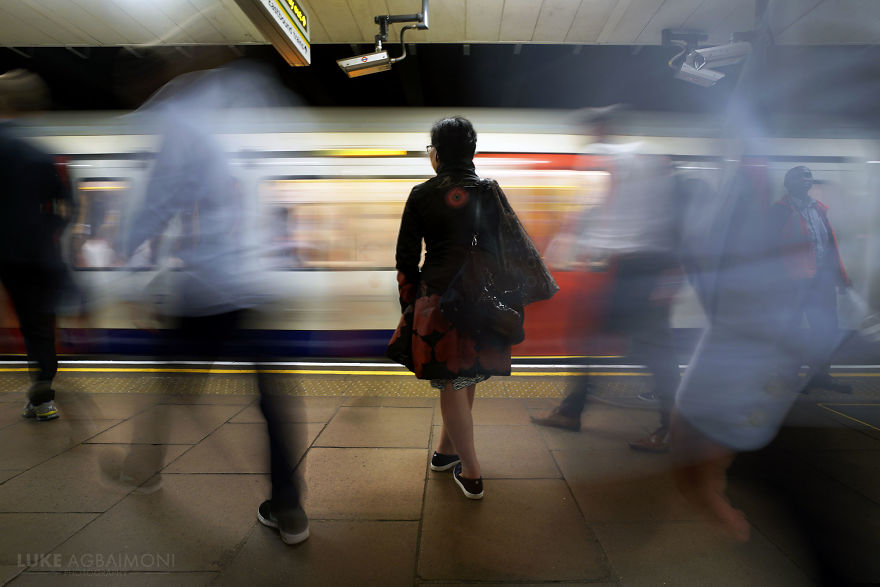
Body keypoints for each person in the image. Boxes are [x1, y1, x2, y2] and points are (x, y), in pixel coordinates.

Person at [117, 62, 309, 544]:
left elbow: (160, 200)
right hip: (260, 282)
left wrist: (131, 265)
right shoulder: (252, 89)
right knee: (273, 403)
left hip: (209, 285)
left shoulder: (180, 113)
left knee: (171, 379)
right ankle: (289, 509)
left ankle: (143, 468)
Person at [391, 116, 556, 499]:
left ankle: (472, 472)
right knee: (464, 374)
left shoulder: (421, 194)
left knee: (452, 379)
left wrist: (411, 304)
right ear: (472, 153)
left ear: (435, 154)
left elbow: (405, 258)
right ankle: (448, 452)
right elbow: (505, 249)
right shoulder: (487, 191)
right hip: (481, 296)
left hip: (438, 298)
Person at [532, 107, 683, 453]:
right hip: (629, 268)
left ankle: (673, 427)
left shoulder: (623, 157)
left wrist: (566, 249)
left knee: (653, 350)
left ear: (604, 128)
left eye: (592, 129)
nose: (588, 138)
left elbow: (613, 218)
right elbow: (603, 215)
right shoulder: (640, 158)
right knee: (588, 340)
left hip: (640, 268)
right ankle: (571, 411)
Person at [0, 69, 72, 422]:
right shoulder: (40, 154)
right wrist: (48, 231)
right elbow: (65, 206)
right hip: (33, 254)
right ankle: (43, 394)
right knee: (39, 326)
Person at [769, 166, 852, 393]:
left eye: (809, 177)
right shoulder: (779, 212)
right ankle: (788, 376)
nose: (807, 181)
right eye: (801, 177)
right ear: (788, 183)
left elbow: (829, 245)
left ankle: (819, 375)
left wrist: (840, 277)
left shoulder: (818, 209)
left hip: (821, 282)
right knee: (791, 330)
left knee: (825, 329)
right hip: (792, 283)